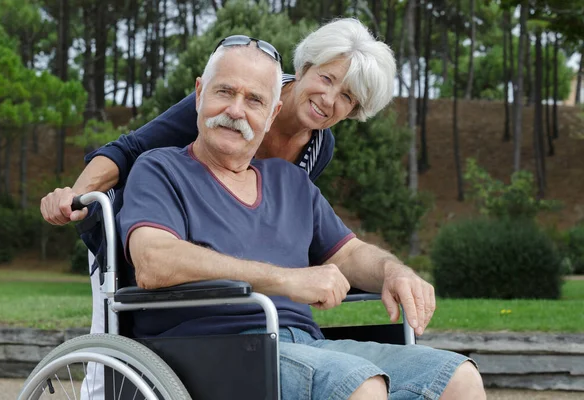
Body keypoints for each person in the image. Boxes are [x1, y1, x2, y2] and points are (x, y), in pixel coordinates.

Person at [115, 36, 486, 400]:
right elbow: (153, 261)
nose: (236, 111)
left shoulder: (290, 181)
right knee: (358, 385)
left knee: (459, 379)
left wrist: (394, 271)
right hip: (213, 347)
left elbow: (349, 253)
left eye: (255, 100)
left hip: (307, 345)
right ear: (199, 94)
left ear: (272, 113)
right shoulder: (159, 169)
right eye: (225, 92)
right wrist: (284, 280)